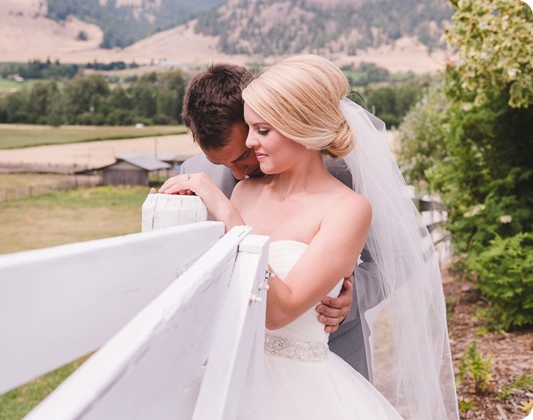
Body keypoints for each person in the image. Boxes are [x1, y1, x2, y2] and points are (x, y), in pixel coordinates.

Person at [160, 55, 458, 419]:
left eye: (256, 137)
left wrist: (347, 295)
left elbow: (401, 253)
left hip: (323, 359)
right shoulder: (208, 179)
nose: (238, 173)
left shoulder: (350, 178)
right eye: (224, 165)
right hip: (236, 368)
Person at [179, 63, 378, 379]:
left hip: (320, 363)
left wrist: (342, 299)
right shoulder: (237, 187)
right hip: (238, 370)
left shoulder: (350, 190)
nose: (248, 149)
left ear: (296, 126)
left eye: (261, 130)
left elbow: (397, 258)